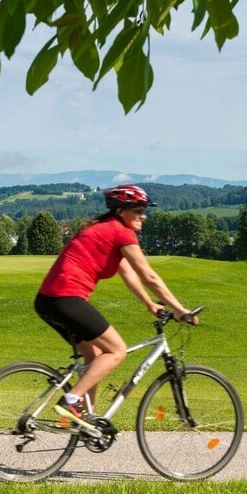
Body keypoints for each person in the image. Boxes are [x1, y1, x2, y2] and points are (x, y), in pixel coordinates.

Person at [34, 184, 195, 429]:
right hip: (66, 298)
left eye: (144, 210)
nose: (143, 215)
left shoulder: (104, 230)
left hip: (49, 301)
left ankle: (84, 421)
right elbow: (149, 276)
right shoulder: (120, 232)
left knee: (94, 355)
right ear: (120, 211)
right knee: (117, 350)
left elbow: (129, 275)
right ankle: (72, 400)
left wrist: (150, 304)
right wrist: (180, 309)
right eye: (138, 210)